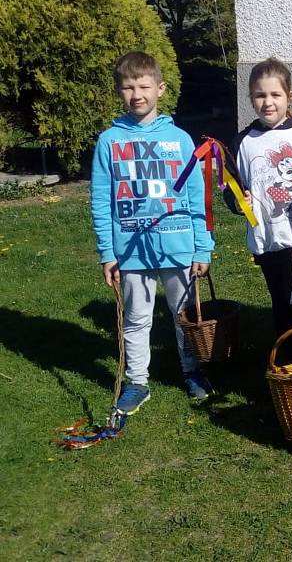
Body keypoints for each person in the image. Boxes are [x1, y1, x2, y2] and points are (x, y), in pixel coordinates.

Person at [90, 51, 215, 414]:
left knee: (183, 315)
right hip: (131, 251)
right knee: (137, 317)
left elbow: (197, 197)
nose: (137, 95)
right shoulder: (109, 142)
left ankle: (192, 370)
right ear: (118, 91)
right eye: (128, 88)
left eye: (144, 86)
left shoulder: (180, 140)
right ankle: (137, 381)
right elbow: (101, 201)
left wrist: (201, 248)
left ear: (160, 88)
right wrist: (108, 252)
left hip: (178, 247)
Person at [224, 58, 292, 355]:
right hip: (269, 241)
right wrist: (239, 203)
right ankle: (290, 361)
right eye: (260, 95)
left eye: (275, 95)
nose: (268, 102)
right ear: (251, 98)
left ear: (288, 96)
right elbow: (231, 189)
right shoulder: (242, 142)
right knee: (282, 303)